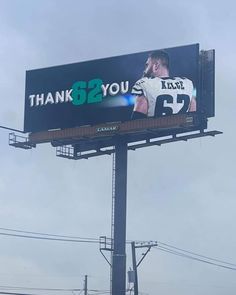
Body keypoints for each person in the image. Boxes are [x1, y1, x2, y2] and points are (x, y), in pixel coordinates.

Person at [131, 50, 196, 119]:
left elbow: (136, 122)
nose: (145, 70)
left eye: (147, 65)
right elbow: (193, 115)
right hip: (180, 129)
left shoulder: (145, 84)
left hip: (155, 129)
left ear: (156, 66)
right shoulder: (187, 83)